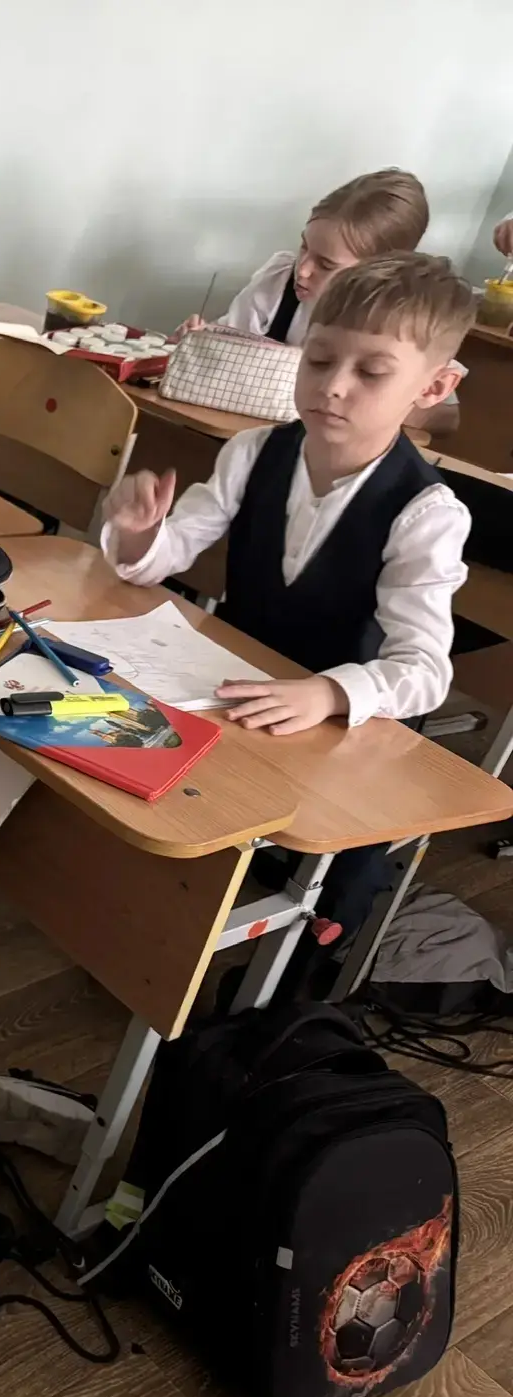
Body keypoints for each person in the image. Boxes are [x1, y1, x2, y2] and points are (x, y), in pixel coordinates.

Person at [105, 250, 475, 994]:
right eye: (320, 359)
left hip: (344, 739)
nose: (332, 386)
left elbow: (424, 672)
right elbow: (164, 555)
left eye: (371, 372)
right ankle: (143, 939)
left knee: (318, 883)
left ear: (432, 387)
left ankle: (293, 968)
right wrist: (142, 535)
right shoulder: (255, 452)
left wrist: (329, 692)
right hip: (234, 696)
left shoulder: (427, 513)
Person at [182, 168, 457, 434]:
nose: (302, 269)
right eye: (304, 246)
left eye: (326, 264)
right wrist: (199, 345)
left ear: (378, 271)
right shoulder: (278, 282)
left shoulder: (400, 322)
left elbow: (447, 417)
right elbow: (227, 346)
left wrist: (391, 401)